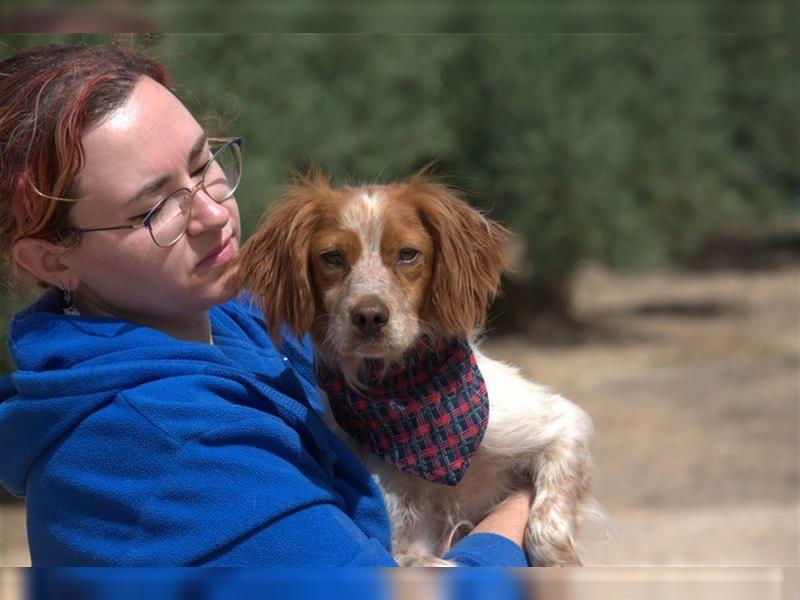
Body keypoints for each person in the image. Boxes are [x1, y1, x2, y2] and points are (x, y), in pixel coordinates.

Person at [0, 43, 532, 566]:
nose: (213, 212)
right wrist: (517, 508)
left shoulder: (244, 321)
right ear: (52, 262)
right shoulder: (169, 443)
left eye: (203, 162)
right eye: (156, 207)